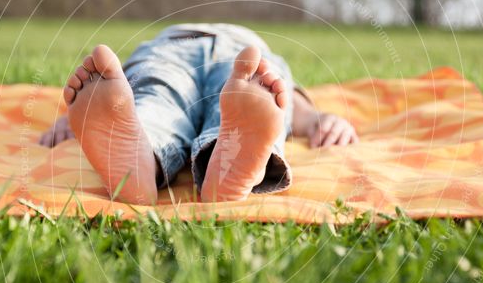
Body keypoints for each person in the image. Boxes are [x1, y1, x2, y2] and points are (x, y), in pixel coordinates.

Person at [39, 23, 358, 203]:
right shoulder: (250, 46)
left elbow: (288, 104)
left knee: (156, 94)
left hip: (172, 49)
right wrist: (312, 118)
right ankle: (147, 158)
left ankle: (146, 157)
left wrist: (318, 118)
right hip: (228, 49)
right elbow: (288, 104)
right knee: (255, 86)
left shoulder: (170, 36)